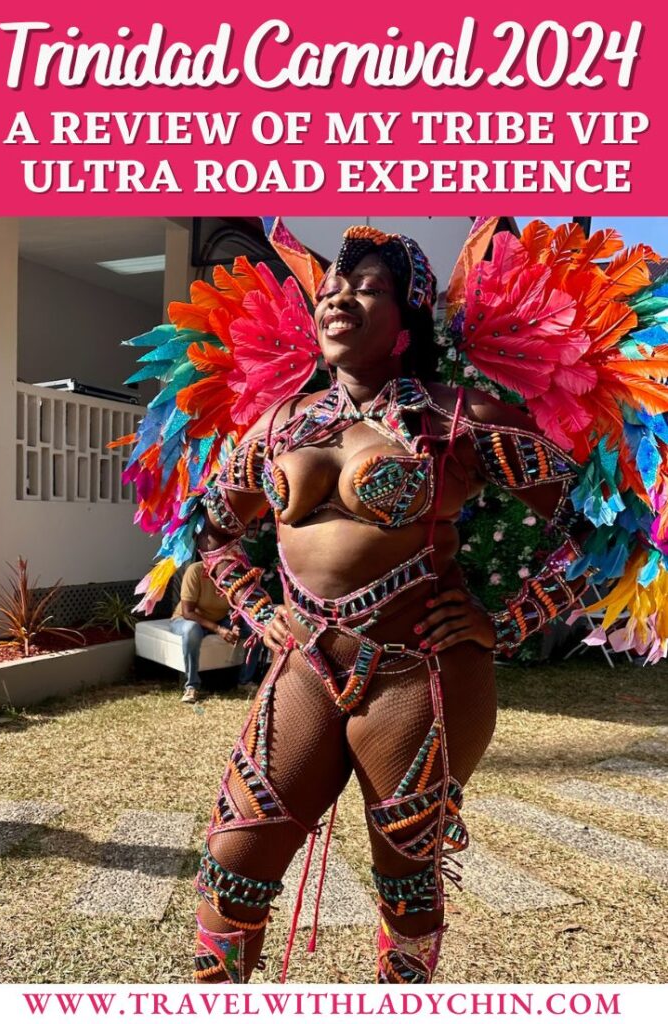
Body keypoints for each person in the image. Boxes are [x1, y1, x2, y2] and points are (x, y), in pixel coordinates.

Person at [191, 225, 593, 984]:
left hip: (421, 674)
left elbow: (605, 534)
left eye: (367, 287)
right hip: (303, 667)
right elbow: (211, 533)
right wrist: (255, 608)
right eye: (331, 290)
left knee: (404, 878)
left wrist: (503, 620)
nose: (340, 297)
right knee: (234, 859)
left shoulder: (459, 418)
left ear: (406, 324)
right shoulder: (278, 425)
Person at [170, 560, 260, 703]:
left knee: (256, 630)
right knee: (192, 630)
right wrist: (219, 629)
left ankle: (245, 681)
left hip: (219, 618)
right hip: (188, 619)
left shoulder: (233, 574)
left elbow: (238, 606)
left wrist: (236, 625)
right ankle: (191, 686)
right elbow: (188, 613)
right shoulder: (195, 570)